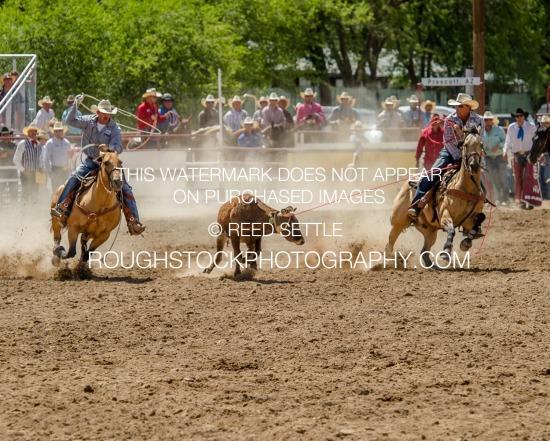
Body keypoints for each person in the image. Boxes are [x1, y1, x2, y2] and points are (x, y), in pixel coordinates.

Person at [51, 98, 146, 235]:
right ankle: (61, 208)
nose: (106, 115)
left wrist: (108, 147)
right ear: (98, 112)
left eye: (108, 112)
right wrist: (75, 105)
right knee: (73, 178)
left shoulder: (114, 128)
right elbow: (70, 121)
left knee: (125, 187)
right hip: (91, 161)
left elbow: (119, 148)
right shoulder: (88, 120)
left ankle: (133, 221)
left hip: (108, 163)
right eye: (103, 112)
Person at [408, 93, 484, 219]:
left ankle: (475, 215)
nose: (457, 109)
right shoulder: (450, 119)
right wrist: (459, 157)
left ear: (468, 107)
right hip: (450, 152)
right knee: (433, 174)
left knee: (480, 184)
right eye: (456, 106)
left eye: (460, 106)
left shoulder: (478, 120)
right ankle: (416, 206)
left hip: (470, 153)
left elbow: (478, 140)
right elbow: (448, 142)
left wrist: (462, 138)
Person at [503, 108, 537, 208]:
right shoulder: (511, 127)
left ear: (524, 116)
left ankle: (530, 200)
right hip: (516, 154)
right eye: (517, 116)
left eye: (520, 116)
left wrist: (537, 154)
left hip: (529, 154)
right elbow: (508, 142)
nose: (518, 118)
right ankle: (520, 201)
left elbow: (536, 141)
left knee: (529, 177)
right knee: (518, 178)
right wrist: (505, 151)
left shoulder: (531, 127)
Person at [481, 111, 508, 205]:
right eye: (486, 120)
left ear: (492, 121)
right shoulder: (481, 132)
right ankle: (491, 199)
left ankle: (504, 200)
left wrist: (499, 146)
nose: (488, 121)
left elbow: (506, 141)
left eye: (489, 119)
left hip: (499, 157)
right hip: (487, 158)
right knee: (488, 180)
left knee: (502, 178)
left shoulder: (499, 130)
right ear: (483, 121)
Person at [13, 124, 42, 205]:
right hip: (26, 173)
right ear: (28, 132)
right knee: (25, 193)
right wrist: (23, 170)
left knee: (35, 193)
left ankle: (33, 211)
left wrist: (40, 168)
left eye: (35, 131)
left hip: (36, 173)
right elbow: (16, 159)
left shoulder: (38, 144)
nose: (33, 132)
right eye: (31, 131)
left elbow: (40, 159)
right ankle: (24, 212)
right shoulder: (22, 143)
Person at [43, 121, 71, 192]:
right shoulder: (49, 143)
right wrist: (50, 172)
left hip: (65, 170)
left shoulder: (67, 143)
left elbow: (69, 157)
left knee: (65, 190)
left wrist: (69, 169)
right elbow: (46, 159)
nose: (58, 133)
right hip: (55, 169)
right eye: (56, 131)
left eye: (60, 131)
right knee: (56, 190)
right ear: (54, 132)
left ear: (62, 132)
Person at [0, 126, 18, 203]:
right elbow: (13, 152)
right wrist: (9, 153)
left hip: (12, 171)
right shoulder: (13, 146)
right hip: (2, 172)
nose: (5, 136)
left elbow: (15, 152)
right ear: (1, 136)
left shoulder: (14, 145)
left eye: (7, 134)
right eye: (4, 135)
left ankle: (14, 210)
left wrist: (5, 152)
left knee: (14, 192)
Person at [538, 115, 550, 200]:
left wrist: (544, 154)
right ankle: (543, 196)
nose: (544, 124)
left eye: (546, 123)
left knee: (546, 176)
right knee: (540, 177)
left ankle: (548, 196)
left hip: (548, 157)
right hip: (540, 156)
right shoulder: (540, 132)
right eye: (543, 123)